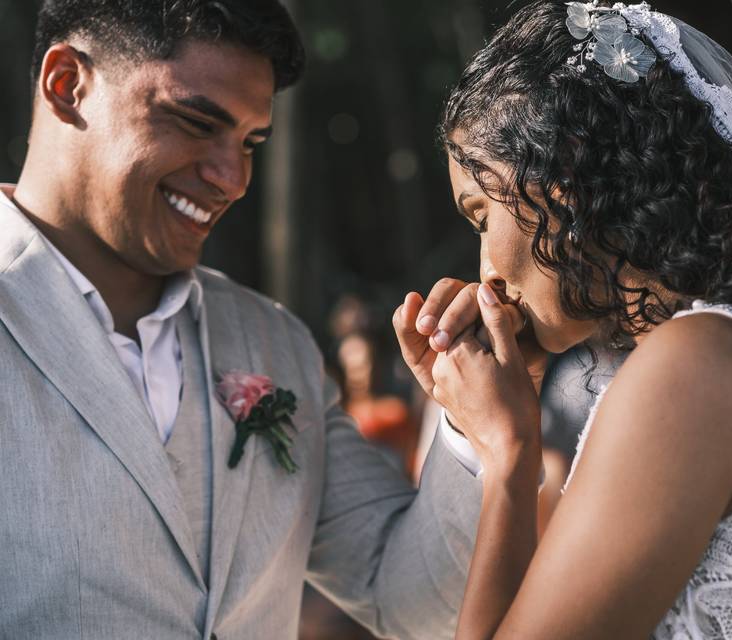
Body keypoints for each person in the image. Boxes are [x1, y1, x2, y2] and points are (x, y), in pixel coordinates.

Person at [399, 2, 732, 638]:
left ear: (564, 181)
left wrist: (508, 452)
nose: (485, 270)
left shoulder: (694, 370)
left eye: (480, 215)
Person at [0, 2, 484, 638]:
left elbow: (409, 601)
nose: (232, 178)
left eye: (251, 143)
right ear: (68, 85)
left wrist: (468, 418)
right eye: (197, 122)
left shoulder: (276, 343)